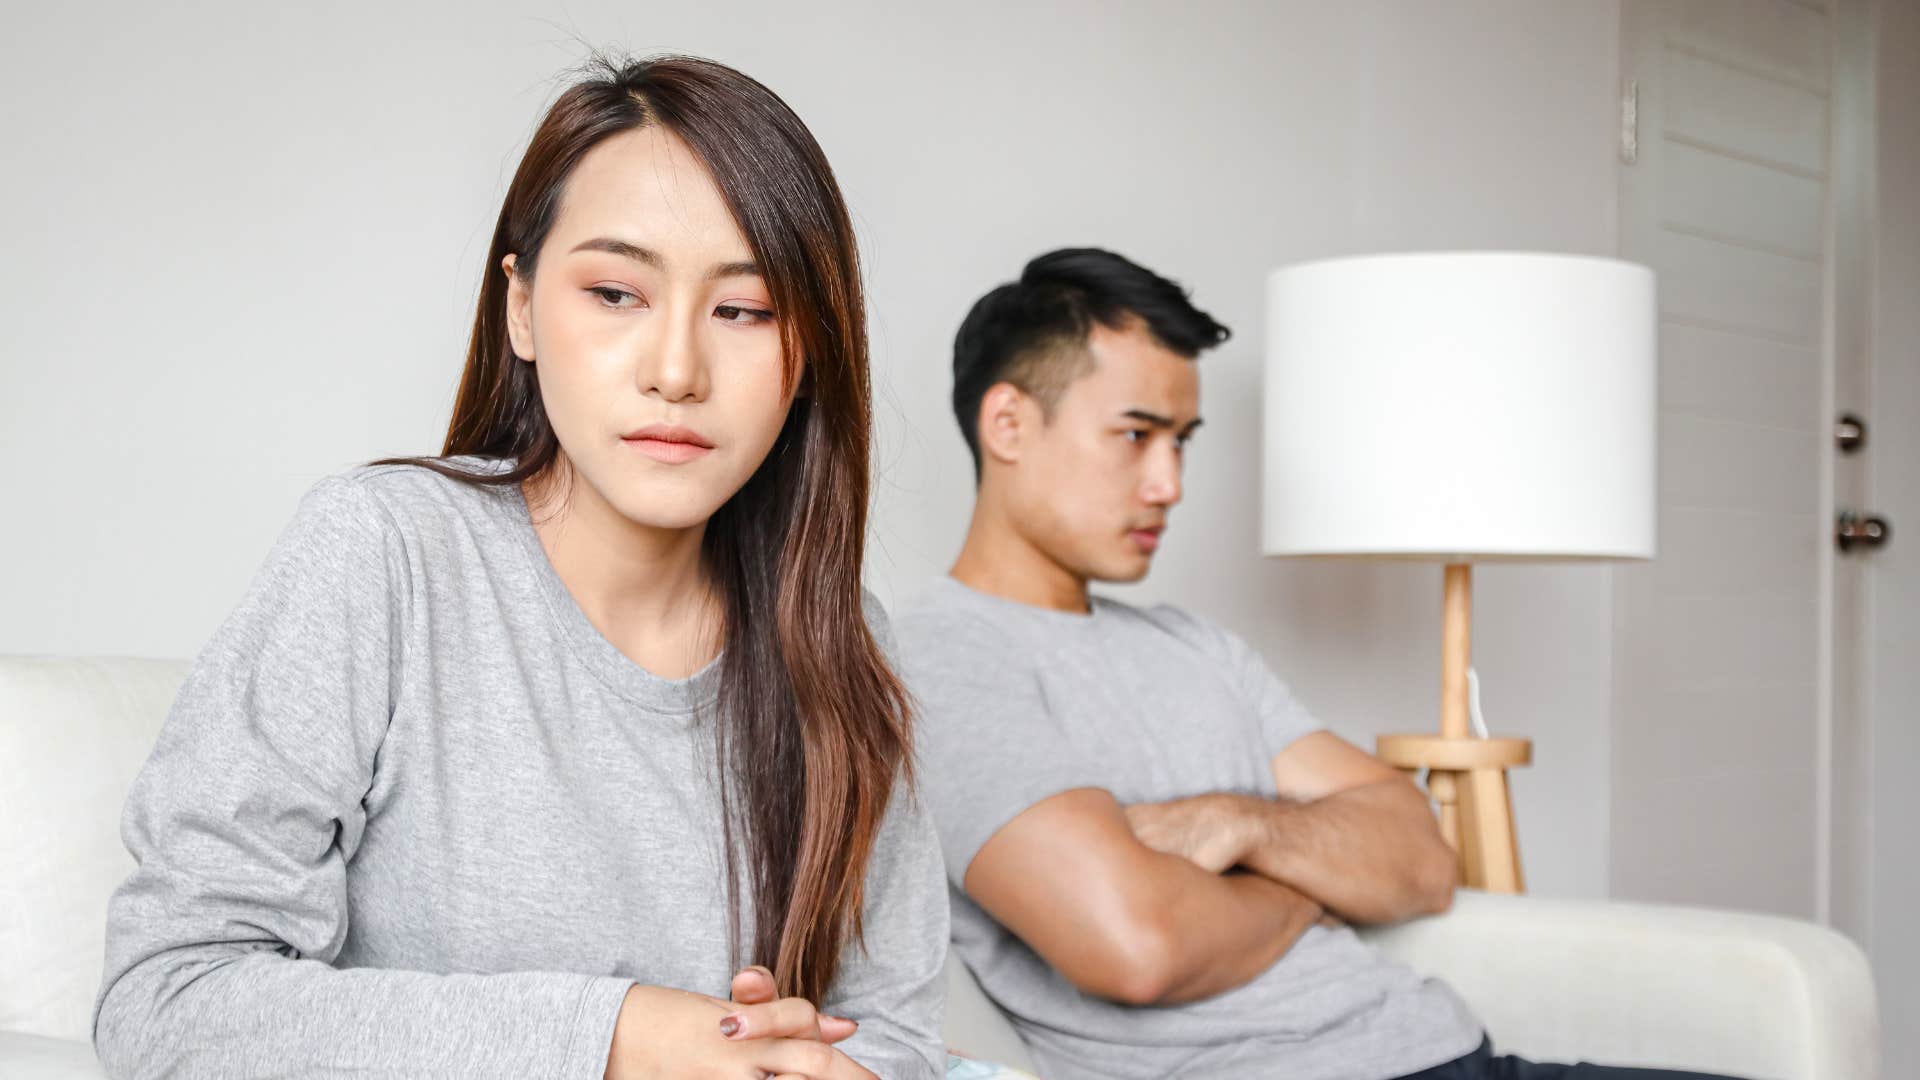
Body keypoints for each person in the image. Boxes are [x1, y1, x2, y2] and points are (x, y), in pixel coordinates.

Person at [93, 55, 947, 1080]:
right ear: (524, 310)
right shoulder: (386, 553)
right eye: (616, 292)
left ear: (807, 350)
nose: (676, 370)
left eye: (744, 310)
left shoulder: (838, 638)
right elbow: (170, 1001)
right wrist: (619, 1039)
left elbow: (894, 1039)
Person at [896, 247, 1738, 1080]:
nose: (1170, 484)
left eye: (1182, 442)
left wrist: (1242, 826)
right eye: (1137, 435)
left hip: (1455, 1054)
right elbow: (1138, 948)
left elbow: (1420, 855)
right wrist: (1321, 881)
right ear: (1007, 423)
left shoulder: (1192, 644)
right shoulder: (940, 659)